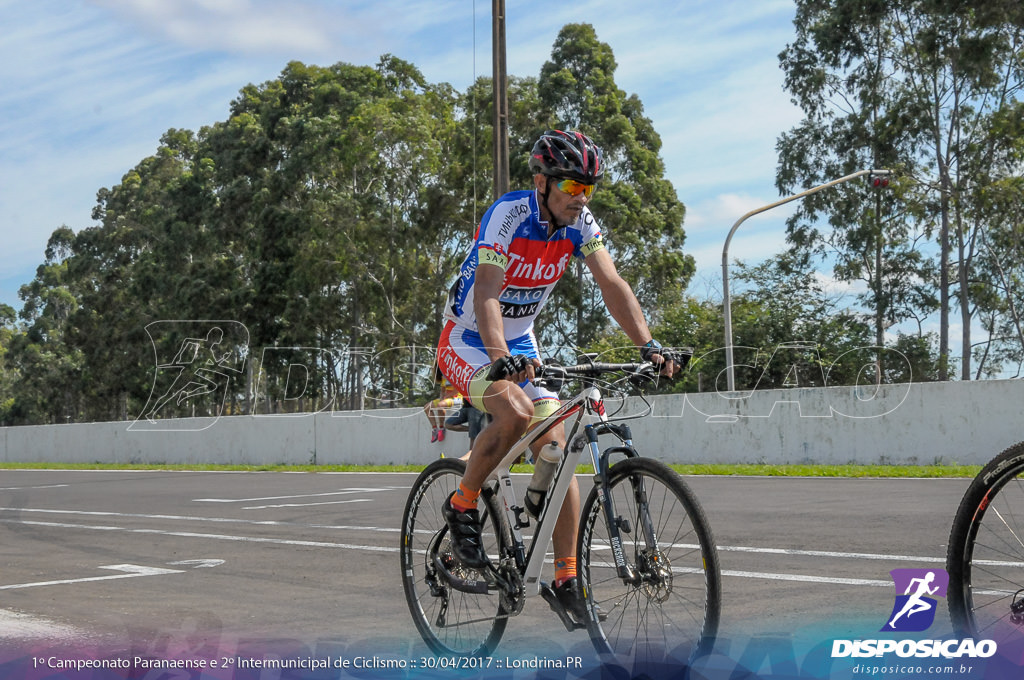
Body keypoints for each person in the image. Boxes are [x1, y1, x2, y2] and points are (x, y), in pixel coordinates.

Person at [435, 129, 684, 624]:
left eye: (588, 188)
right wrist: (499, 355)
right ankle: (462, 504)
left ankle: (568, 578)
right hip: (467, 338)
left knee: (559, 444)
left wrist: (649, 346)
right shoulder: (508, 215)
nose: (580, 197)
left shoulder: (581, 223)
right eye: (572, 186)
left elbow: (611, 283)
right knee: (516, 411)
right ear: (542, 182)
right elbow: (487, 289)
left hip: (521, 344)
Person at [422, 367, 462, 443]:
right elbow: (442, 391)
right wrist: (441, 398)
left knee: (440, 405)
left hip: (457, 399)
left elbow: (458, 390)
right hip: (446, 399)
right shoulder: (444, 377)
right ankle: (435, 429)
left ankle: (441, 428)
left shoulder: (456, 375)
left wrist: (446, 397)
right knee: (427, 407)